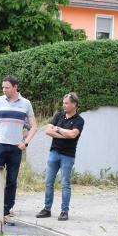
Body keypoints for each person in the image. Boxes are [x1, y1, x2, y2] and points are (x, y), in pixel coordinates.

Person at [0, 75, 37, 227]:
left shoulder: (26, 103)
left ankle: (6, 213)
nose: (4, 90)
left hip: (16, 147)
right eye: (3, 87)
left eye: (7, 87)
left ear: (15, 87)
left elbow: (34, 126)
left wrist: (25, 142)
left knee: (11, 181)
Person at [35, 92, 85, 221]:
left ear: (74, 104)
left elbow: (73, 135)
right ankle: (47, 209)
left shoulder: (79, 120)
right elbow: (47, 130)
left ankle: (64, 211)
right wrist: (64, 134)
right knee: (48, 182)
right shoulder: (58, 115)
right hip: (54, 153)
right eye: (63, 103)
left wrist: (57, 129)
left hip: (67, 156)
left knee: (65, 184)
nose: (64, 105)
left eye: (66, 103)